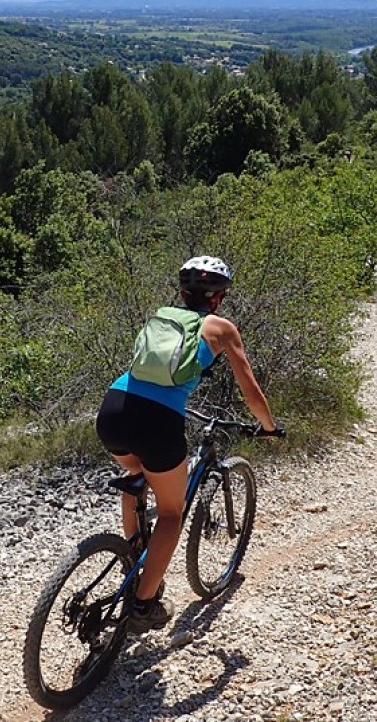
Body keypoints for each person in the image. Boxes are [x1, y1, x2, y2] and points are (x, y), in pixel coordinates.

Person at [94, 255, 280, 633]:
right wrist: (270, 427)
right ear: (220, 298)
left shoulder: (161, 317)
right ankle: (144, 605)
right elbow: (251, 392)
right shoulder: (222, 328)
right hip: (158, 423)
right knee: (171, 513)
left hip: (113, 409)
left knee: (136, 474)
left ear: (181, 293)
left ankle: (134, 557)